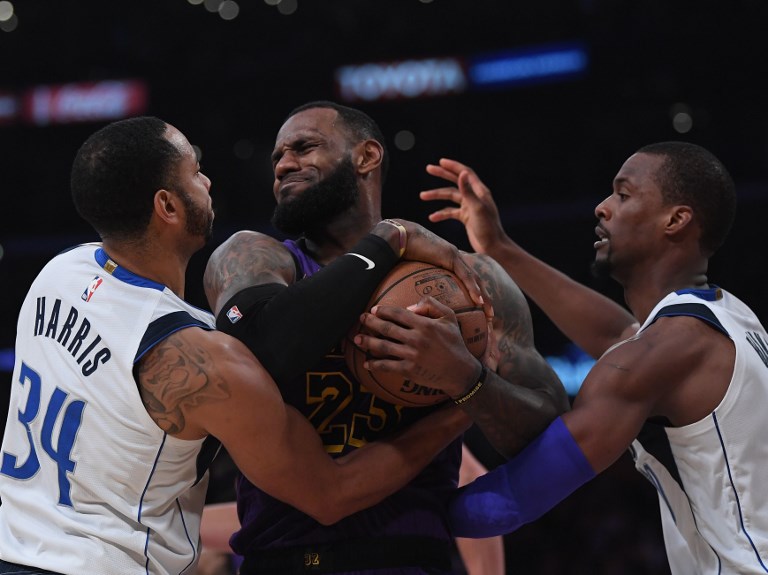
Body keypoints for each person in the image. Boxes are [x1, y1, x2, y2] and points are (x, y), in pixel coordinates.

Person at [0, 116, 479, 575]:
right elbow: (331, 494)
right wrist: (463, 404)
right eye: (195, 172)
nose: (208, 182)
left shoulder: (60, 275)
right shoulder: (204, 361)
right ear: (167, 206)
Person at [355, 144, 768, 573]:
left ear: (676, 220)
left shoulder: (660, 354)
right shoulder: (727, 317)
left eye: (623, 195)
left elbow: (511, 501)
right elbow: (616, 333)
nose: (602, 208)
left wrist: (367, 499)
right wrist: (499, 248)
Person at [202, 101, 569, 574]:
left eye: (304, 147)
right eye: (277, 159)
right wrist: (387, 239)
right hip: (287, 560)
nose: (284, 165)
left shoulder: (470, 281)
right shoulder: (256, 258)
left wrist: (465, 378)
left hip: (416, 559)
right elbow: (264, 344)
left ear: (366, 157)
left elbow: (549, 430)